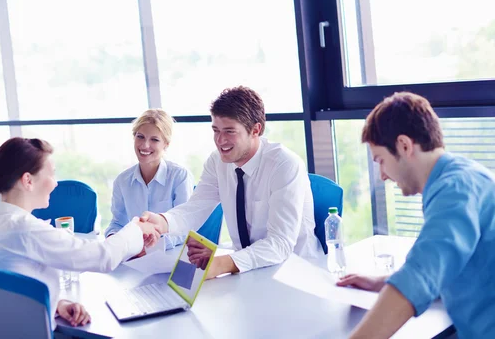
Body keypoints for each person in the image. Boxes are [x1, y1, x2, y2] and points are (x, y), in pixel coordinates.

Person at [338, 92, 495, 339]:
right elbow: (442, 264)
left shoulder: (455, 190)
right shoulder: (460, 177)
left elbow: (421, 273)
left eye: (380, 160)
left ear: (404, 145)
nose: (382, 175)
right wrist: (381, 282)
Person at [0, 138, 160, 328]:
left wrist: (56, 304)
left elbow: (3, 292)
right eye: (52, 174)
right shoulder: (25, 230)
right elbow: (103, 257)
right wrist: (136, 228)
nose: (56, 184)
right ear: (28, 181)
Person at [142, 86, 323, 279]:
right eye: (215, 130)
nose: (220, 140)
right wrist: (162, 222)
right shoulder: (217, 161)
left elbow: (280, 244)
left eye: (229, 131)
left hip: (295, 272)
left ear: (255, 130)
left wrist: (222, 263)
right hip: (248, 271)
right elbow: (195, 208)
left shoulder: (284, 165)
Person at [105, 109, 194, 251]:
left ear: (166, 144)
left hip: (169, 255)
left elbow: (185, 227)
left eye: (155, 139)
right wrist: (113, 240)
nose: (145, 145)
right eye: (140, 137)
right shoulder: (122, 181)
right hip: (134, 256)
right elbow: (117, 223)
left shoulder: (179, 176)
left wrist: (151, 245)